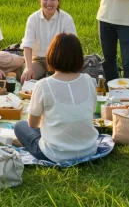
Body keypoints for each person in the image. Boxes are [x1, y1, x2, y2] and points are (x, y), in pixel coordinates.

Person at [14, 33, 98, 163]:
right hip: (89, 148)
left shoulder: (43, 85)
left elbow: (32, 124)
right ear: (79, 57)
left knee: (20, 126)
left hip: (55, 154)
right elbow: (91, 112)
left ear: (52, 55)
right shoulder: (89, 81)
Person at [21, 0, 78, 83]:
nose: (49, 3)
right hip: (39, 60)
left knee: (60, 82)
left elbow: (72, 45)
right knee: (27, 79)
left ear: (58, 1)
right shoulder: (33, 19)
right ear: (40, 0)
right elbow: (27, 45)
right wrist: (28, 68)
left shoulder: (66, 18)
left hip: (59, 61)